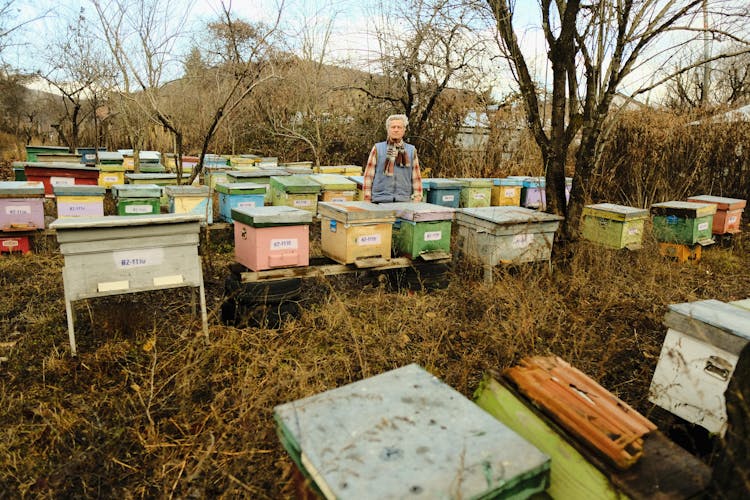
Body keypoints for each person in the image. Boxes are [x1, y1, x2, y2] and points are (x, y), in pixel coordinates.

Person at [363, 114, 423, 203]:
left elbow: (416, 177)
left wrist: (417, 198)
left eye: (399, 127)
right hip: (379, 200)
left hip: (404, 201)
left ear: (404, 130)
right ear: (388, 129)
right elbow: (368, 176)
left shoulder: (411, 150)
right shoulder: (377, 148)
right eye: (393, 127)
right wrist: (367, 198)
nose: (396, 130)